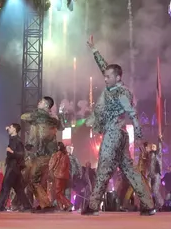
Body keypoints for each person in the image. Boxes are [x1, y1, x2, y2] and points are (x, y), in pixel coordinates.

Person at [81, 35, 156, 215]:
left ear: (118, 77)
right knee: (130, 171)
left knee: (104, 168)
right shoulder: (112, 88)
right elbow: (104, 67)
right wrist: (94, 50)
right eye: (105, 76)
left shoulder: (122, 93)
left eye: (108, 77)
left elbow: (132, 113)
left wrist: (138, 136)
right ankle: (148, 205)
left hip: (114, 133)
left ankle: (93, 206)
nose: (105, 79)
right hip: (120, 135)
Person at [22, 96, 64, 210]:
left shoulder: (39, 115)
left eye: (41, 102)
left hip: (44, 153)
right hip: (50, 153)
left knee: (34, 179)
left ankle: (46, 204)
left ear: (46, 105)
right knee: (41, 179)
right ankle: (43, 204)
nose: (38, 103)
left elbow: (24, 117)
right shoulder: (52, 118)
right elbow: (61, 126)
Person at [0, 123, 31, 211]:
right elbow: (10, 134)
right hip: (14, 167)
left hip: (13, 167)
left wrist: (11, 151)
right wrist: (7, 129)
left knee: (5, 187)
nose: (8, 128)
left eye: (10, 127)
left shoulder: (17, 141)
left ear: (14, 129)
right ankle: (27, 206)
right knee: (18, 189)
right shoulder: (13, 139)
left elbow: (21, 154)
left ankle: (0, 206)